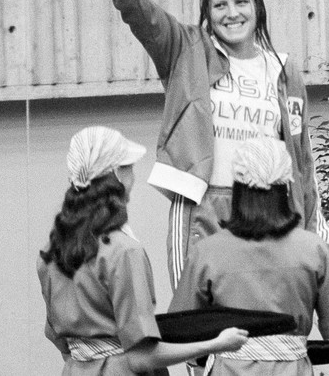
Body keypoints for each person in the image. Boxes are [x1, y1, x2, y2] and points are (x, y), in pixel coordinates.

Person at [93, 0, 329, 291]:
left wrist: (314, 225)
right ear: (207, 12)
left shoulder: (283, 69)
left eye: (241, 1)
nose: (231, 12)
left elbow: (301, 157)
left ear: (257, 7)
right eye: (220, 4)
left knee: (264, 314)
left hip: (268, 207)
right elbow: (137, 8)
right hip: (202, 205)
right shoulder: (185, 51)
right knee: (200, 316)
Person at [37, 126, 249, 375]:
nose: (133, 177)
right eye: (129, 168)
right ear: (117, 174)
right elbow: (142, 357)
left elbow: (57, 338)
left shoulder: (50, 253)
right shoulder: (124, 252)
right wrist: (217, 343)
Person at [169, 136, 329, 375]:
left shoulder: (206, 253)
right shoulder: (314, 250)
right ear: (286, 186)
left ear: (237, 187)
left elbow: (181, 334)